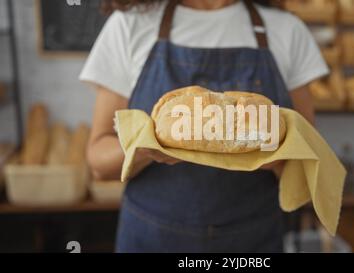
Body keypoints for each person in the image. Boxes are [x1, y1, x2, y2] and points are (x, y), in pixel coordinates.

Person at [80, 0, 328, 252]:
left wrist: (277, 160)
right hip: (152, 237)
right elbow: (99, 162)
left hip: (251, 241)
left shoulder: (287, 30)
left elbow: (310, 165)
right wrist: (144, 149)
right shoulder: (129, 25)